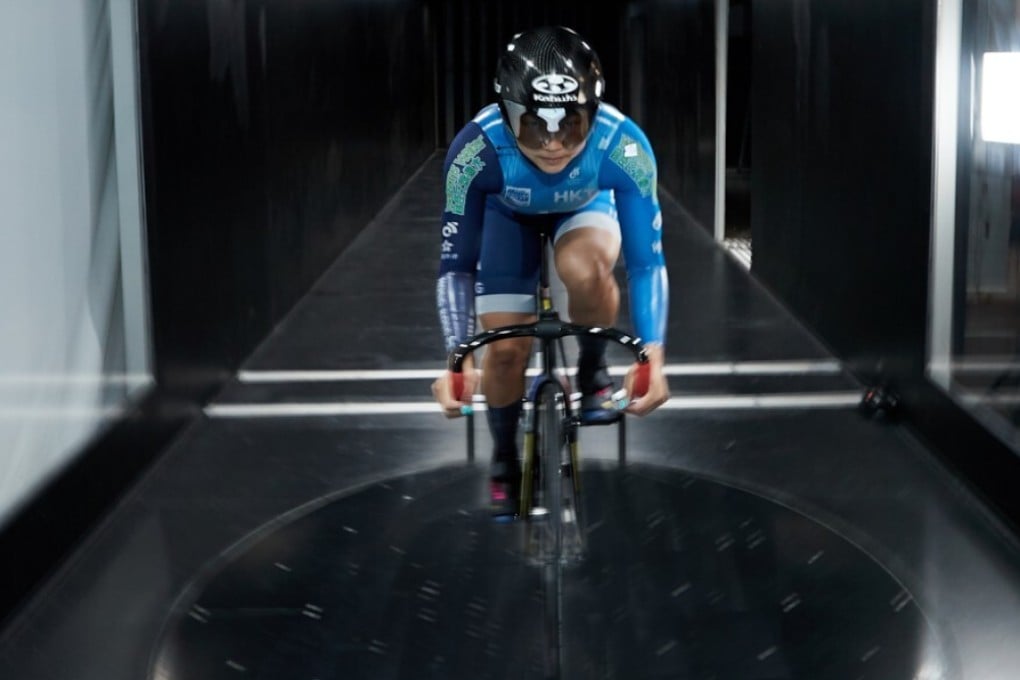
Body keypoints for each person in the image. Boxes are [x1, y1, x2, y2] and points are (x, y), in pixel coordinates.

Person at [430, 25, 670, 517]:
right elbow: (455, 265)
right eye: (535, 125)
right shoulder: (473, 152)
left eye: (572, 124)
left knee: (586, 269)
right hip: (506, 215)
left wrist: (654, 357)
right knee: (502, 355)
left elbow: (647, 263)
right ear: (505, 113)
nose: (555, 143)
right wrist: (457, 356)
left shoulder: (625, 147)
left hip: (583, 209)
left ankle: (590, 370)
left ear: (595, 111)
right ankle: (503, 452)